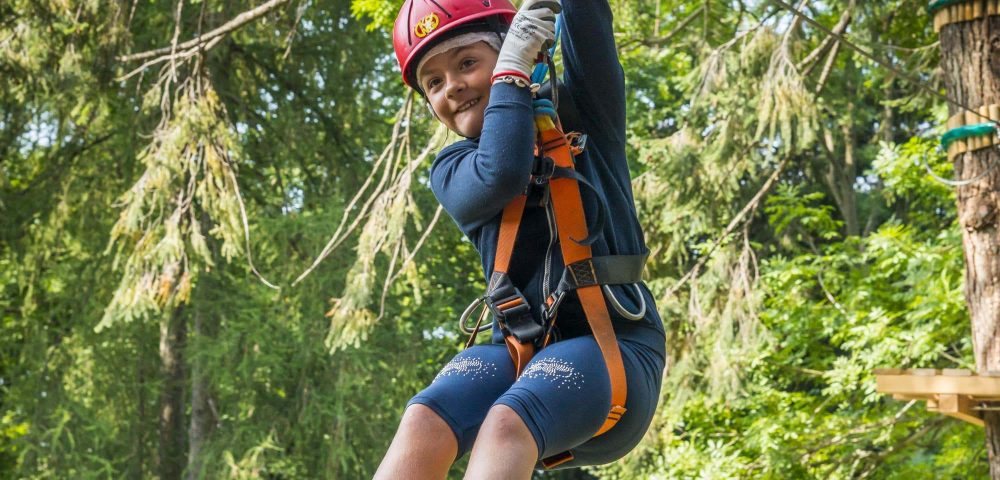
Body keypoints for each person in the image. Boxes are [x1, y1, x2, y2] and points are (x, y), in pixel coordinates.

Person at [374, 0, 666, 478]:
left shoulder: (583, 112)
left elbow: (588, 20)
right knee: (424, 419)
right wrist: (509, 69)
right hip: (518, 353)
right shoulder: (453, 171)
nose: (454, 86)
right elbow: (502, 171)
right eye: (434, 82)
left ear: (521, 47)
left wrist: (517, 64)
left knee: (505, 423)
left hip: (615, 350)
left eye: (468, 63)